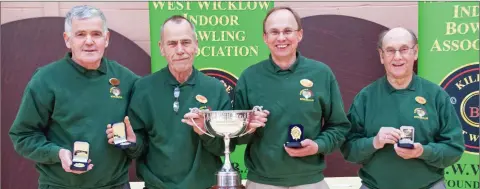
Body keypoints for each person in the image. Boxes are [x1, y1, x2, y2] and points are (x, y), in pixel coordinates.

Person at [9, 5, 139, 189]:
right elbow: (23, 136)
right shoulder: (46, 80)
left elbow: (150, 128)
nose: (89, 41)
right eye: (80, 34)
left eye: (96, 34)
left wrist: (133, 141)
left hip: (115, 185)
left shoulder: (126, 80)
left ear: (106, 38)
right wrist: (57, 153)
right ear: (67, 39)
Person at [105, 15, 240, 189]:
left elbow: (224, 148)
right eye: (172, 44)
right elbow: (139, 147)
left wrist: (204, 130)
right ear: (162, 48)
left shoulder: (215, 89)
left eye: (185, 42)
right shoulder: (144, 88)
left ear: (196, 45)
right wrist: (131, 141)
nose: (180, 50)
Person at [233, 6, 351, 189]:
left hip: (311, 182)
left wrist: (318, 145)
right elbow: (235, 137)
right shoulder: (249, 77)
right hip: (262, 182)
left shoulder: (321, 74)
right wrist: (248, 126)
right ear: (265, 37)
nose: (281, 38)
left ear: (300, 34)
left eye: (288, 31)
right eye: (274, 32)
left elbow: (339, 126)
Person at [340, 27, 465, 189]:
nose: (397, 57)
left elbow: (454, 150)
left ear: (416, 52)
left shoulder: (436, 95)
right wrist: (374, 142)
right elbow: (348, 150)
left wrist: (423, 151)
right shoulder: (365, 98)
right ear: (381, 56)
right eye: (390, 50)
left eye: (404, 49)